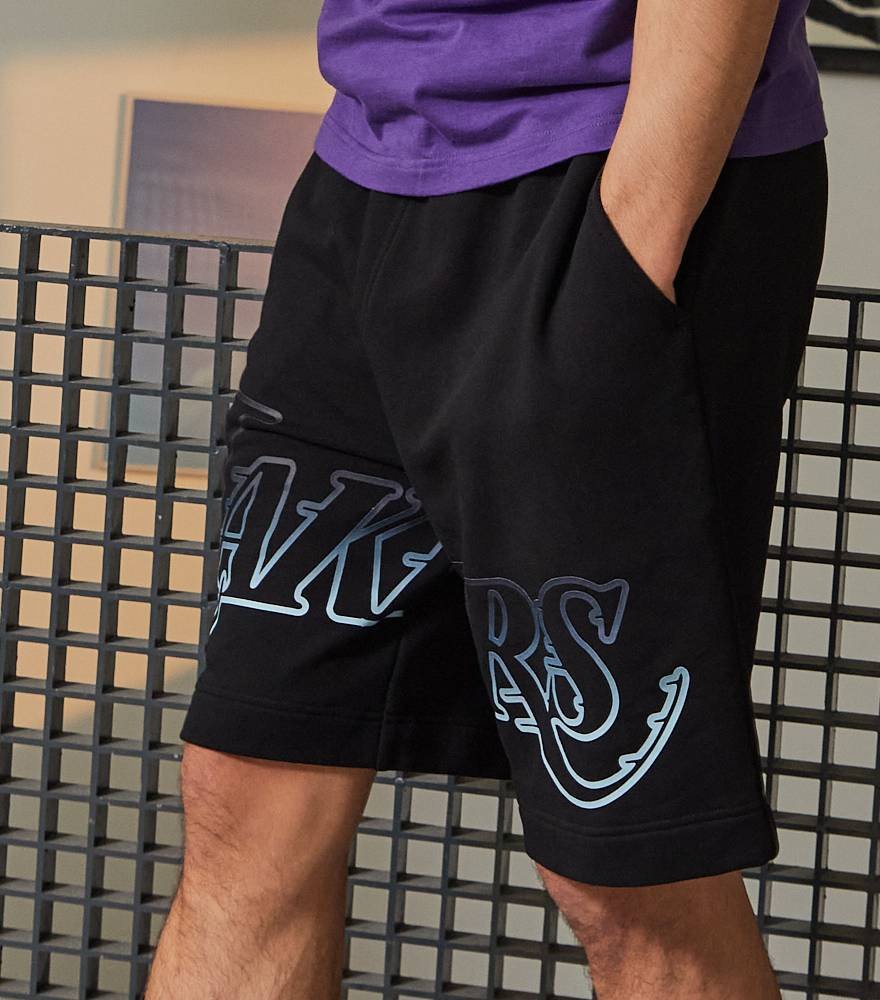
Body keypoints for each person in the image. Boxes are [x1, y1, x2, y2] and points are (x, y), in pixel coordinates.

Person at [148, 0, 828, 995]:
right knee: (245, 789)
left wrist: (631, 241)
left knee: (625, 870)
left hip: (604, 171)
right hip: (369, 161)